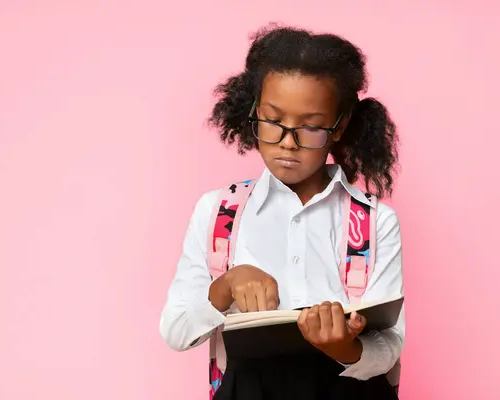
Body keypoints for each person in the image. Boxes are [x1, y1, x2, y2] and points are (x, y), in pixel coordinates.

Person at [160, 24, 404, 400]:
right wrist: (224, 288)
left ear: (339, 126)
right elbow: (176, 331)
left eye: (309, 127)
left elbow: (389, 348)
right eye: (273, 121)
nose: (288, 144)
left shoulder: (374, 222)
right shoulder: (218, 213)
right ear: (253, 110)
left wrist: (343, 347)